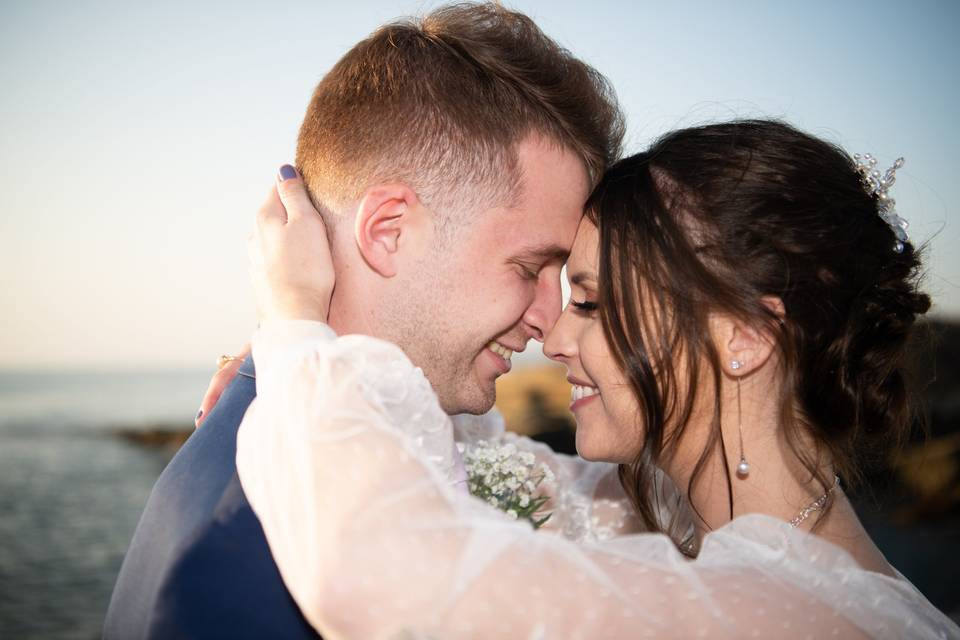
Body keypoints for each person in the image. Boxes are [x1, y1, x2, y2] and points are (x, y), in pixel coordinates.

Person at [235, 119, 960, 638]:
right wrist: (309, 359)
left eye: (590, 301)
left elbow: (392, 582)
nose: (551, 337)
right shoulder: (673, 521)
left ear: (746, 336)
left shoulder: (787, 613)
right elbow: (480, 464)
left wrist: (295, 331)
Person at [104, 4, 623, 638]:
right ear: (388, 231)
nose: (550, 319)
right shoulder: (246, 550)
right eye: (530, 266)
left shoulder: (389, 439)